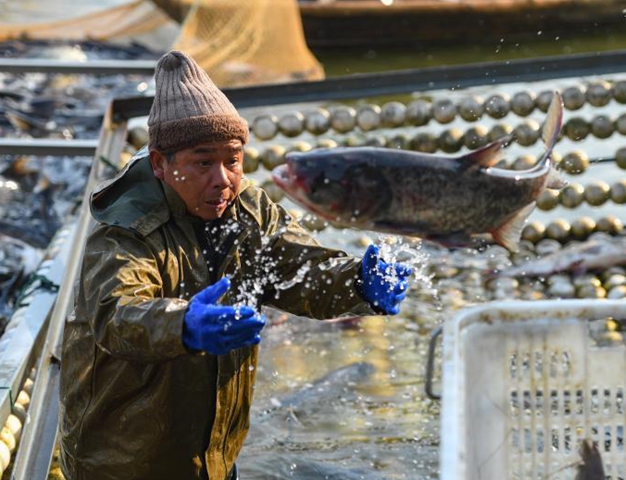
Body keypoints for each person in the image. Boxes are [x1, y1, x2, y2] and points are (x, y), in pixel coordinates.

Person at [58, 50, 412, 480]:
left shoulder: (250, 211)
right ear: (160, 164)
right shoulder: (125, 227)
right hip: (123, 462)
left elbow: (301, 275)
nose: (223, 178)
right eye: (203, 162)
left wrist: (357, 283)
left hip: (213, 454)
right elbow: (116, 314)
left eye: (233, 159)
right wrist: (184, 323)